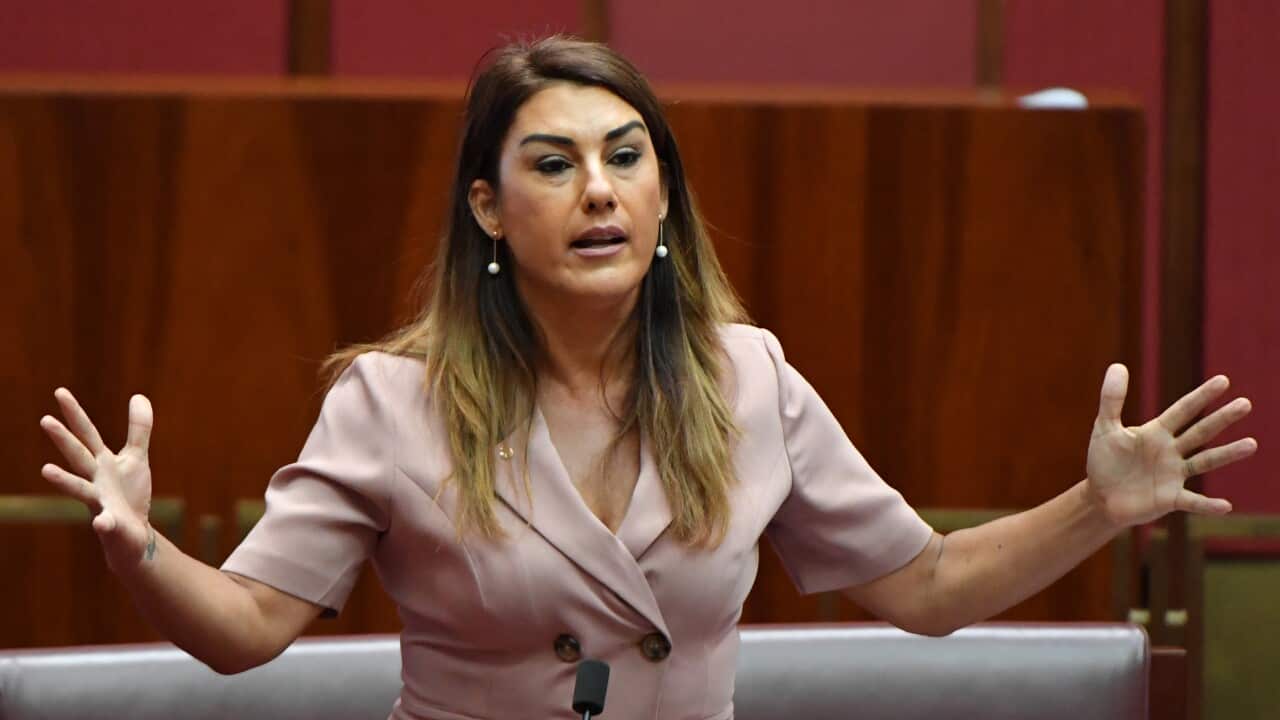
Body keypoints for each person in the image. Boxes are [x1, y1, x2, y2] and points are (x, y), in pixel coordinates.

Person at [38, 36, 1257, 720]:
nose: (597, 190)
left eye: (625, 158)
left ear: (662, 196)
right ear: (487, 209)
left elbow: (927, 587)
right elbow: (247, 631)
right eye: (552, 164)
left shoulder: (746, 379)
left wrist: (1096, 506)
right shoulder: (389, 402)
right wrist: (140, 551)